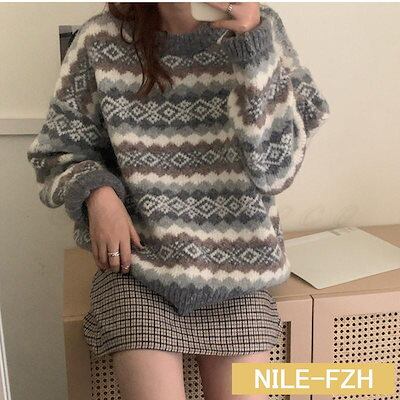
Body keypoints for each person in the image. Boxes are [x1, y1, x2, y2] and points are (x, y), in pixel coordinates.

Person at [26, 2, 330, 399]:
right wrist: (98, 194)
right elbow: (56, 151)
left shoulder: (261, 28)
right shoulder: (100, 39)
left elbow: (276, 170)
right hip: (140, 269)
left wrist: (252, 47)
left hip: (240, 272)